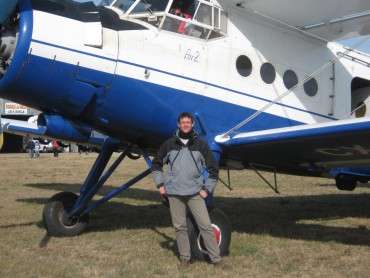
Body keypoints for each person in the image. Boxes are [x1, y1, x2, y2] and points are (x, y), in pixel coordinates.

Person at [151, 112, 223, 268]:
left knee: (205, 225)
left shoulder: (201, 144)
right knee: (180, 227)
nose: (185, 125)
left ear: (192, 125)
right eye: (183, 122)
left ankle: (216, 259)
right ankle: (185, 259)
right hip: (174, 193)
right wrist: (160, 185)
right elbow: (156, 165)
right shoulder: (168, 144)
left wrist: (206, 189)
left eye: (188, 122)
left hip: (195, 193)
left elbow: (213, 169)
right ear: (178, 124)